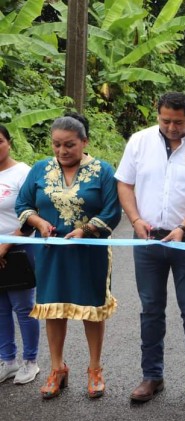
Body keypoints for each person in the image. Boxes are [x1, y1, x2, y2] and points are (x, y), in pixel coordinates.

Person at [115, 92, 185, 405]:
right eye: (165, 121)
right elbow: (125, 183)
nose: (172, 127)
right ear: (157, 115)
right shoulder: (138, 142)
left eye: (178, 121)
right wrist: (134, 220)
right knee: (150, 309)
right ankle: (152, 376)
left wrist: (183, 227)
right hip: (146, 239)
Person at [15, 114, 121, 399]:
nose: (62, 151)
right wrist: (38, 223)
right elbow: (23, 204)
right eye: (57, 145)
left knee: (92, 310)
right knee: (53, 308)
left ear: (84, 142)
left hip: (90, 253)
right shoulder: (39, 169)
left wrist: (85, 230)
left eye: (69, 145)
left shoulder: (103, 171)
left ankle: (95, 369)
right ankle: (56, 368)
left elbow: (112, 211)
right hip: (50, 253)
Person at [0, 125, 40, 385]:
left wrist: (6, 245)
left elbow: (31, 212)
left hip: (20, 247)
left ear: (9, 143)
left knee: (23, 307)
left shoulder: (23, 173)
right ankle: (8, 361)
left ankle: (30, 362)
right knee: (0, 309)